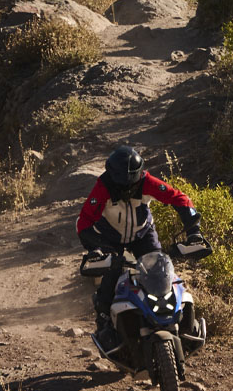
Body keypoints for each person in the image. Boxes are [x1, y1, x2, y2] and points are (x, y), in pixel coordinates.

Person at [77, 145, 207, 352]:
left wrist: (194, 232)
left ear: (138, 175)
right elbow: (84, 222)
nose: (127, 188)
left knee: (162, 273)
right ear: (111, 175)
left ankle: (182, 324)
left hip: (143, 235)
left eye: (132, 183)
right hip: (111, 240)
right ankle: (105, 326)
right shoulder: (103, 187)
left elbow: (180, 199)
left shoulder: (147, 181)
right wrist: (96, 249)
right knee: (110, 279)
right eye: (121, 184)